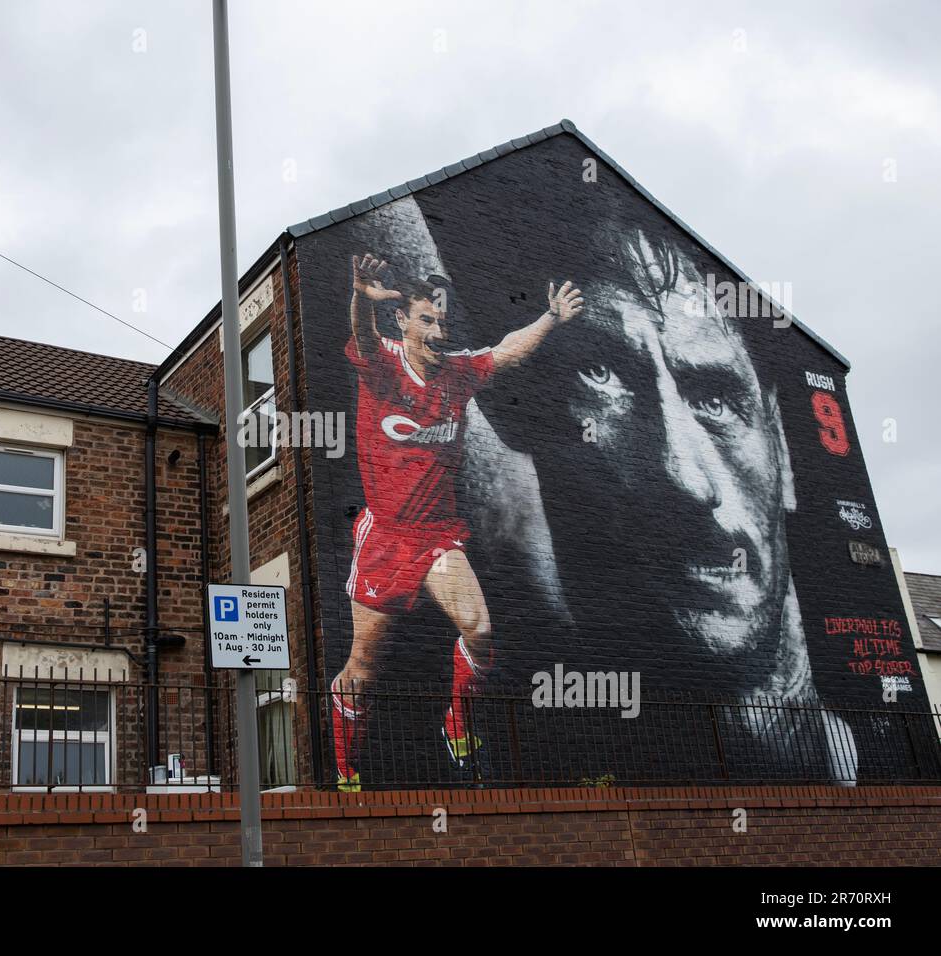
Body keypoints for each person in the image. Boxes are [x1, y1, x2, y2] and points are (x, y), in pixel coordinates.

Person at [469, 225, 858, 782]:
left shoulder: (899, 760)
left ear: (784, 454)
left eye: (716, 400)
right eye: (603, 377)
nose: (686, 478)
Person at [331, 252, 584, 790]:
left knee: (481, 628)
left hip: (437, 537)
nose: (437, 328)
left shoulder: (456, 373)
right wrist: (360, 296)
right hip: (386, 539)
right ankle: (345, 771)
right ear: (403, 320)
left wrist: (550, 319)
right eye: (426, 318)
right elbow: (363, 335)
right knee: (363, 672)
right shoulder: (382, 366)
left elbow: (507, 352)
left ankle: (456, 724)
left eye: (441, 319)